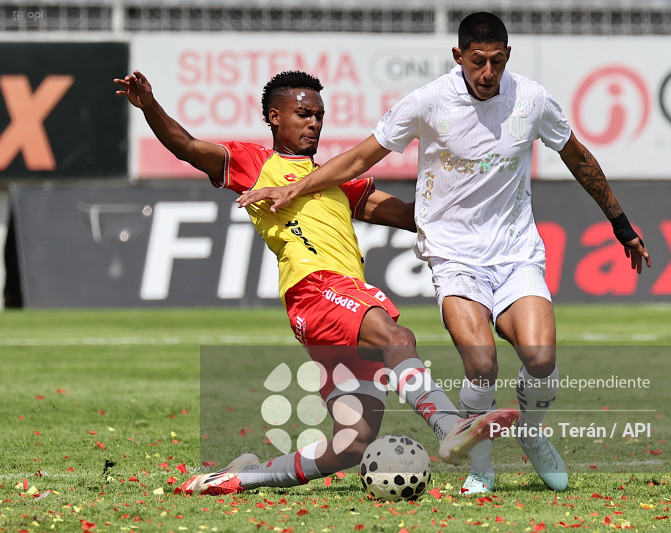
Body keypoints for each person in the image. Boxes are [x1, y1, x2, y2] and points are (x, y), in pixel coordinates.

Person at [236, 13, 653, 495]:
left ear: (508, 56)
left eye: (497, 61)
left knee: (540, 359)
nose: (488, 72)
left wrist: (620, 223)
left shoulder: (532, 100)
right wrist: (296, 187)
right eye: (478, 61)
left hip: (516, 252)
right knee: (481, 364)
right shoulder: (428, 102)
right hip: (454, 256)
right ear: (459, 56)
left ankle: (531, 432)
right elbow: (360, 158)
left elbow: (577, 156)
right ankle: (481, 465)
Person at [114, 69, 519, 496]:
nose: (314, 124)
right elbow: (186, 145)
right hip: (315, 289)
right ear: (274, 117)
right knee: (396, 336)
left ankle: (235, 479)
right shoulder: (256, 164)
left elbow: (408, 215)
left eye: (319, 116)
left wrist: (464, 182)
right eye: (303, 114)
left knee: (351, 445)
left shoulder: (333, 178)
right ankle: (449, 425)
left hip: (341, 302)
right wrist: (150, 106)